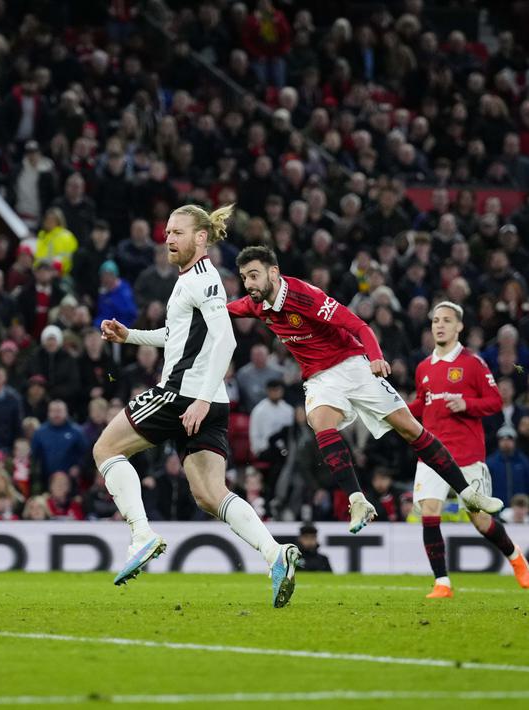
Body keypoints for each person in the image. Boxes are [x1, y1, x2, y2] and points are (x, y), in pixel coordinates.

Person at [97, 204, 300, 607]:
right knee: (209, 494)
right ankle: (275, 554)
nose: (168, 239)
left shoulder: (204, 280)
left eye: (177, 232)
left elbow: (227, 340)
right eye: (167, 232)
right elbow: (176, 336)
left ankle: (141, 533)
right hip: (207, 399)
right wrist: (130, 336)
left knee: (105, 448)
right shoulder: (190, 279)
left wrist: (201, 399)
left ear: (201, 238)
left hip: (182, 395)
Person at [229, 246, 503, 536]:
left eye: (254, 276)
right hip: (321, 379)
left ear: (273, 272)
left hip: (353, 365)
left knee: (410, 429)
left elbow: (358, 325)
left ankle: (467, 492)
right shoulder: (256, 304)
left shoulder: (305, 296)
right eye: (245, 277)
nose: (249, 284)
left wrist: (374, 356)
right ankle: (358, 500)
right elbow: (227, 309)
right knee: (321, 424)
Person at [407, 302, 529, 596]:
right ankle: (442, 583)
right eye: (436, 320)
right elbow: (420, 406)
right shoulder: (423, 368)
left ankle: (516, 557)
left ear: (459, 326)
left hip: (466, 455)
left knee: (480, 519)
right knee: (430, 511)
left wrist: (467, 404)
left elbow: (495, 401)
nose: (439, 325)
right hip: (432, 453)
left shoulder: (473, 363)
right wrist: (392, 412)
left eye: (446, 320)